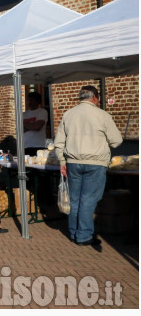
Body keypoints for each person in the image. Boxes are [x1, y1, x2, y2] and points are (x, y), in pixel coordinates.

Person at [54, 85, 122, 246]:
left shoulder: (68, 114)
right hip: (95, 162)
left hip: (73, 162)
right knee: (88, 200)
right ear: (95, 98)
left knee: (75, 199)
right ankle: (84, 236)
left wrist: (62, 161)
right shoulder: (102, 115)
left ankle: (74, 233)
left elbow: (59, 143)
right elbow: (117, 140)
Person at [23, 91, 48, 156]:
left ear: (37, 101)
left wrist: (24, 125)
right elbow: (20, 129)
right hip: (24, 146)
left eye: (32, 100)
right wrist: (31, 126)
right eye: (28, 100)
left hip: (38, 146)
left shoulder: (42, 112)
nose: (29, 102)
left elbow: (37, 126)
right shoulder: (23, 114)